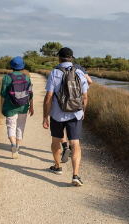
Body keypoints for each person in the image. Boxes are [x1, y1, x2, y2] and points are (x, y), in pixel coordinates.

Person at [43, 47, 89, 186]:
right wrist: (82, 111)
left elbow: (48, 97)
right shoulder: (80, 73)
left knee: (56, 140)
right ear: (72, 58)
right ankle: (75, 175)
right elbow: (85, 97)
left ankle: (57, 167)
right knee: (75, 143)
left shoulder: (54, 73)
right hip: (75, 113)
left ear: (59, 58)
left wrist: (45, 116)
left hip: (57, 114)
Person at [0, 56, 34, 159]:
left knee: (11, 126)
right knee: (20, 126)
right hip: (23, 106)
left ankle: (13, 145)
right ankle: (18, 147)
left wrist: (1, 107)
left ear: (11, 66)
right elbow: (30, 94)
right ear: (22, 66)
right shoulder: (26, 77)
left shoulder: (6, 77)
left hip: (10, 107)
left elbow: (3, 94)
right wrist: (31, 107)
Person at [59, 62, 92, 164]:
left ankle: (64, 146)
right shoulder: (79, 68)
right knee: (74, 136)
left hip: (62, 104)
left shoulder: (59, 68)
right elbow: (89, 81)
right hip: (76, 104)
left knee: (61, 128)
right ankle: (71, 148)